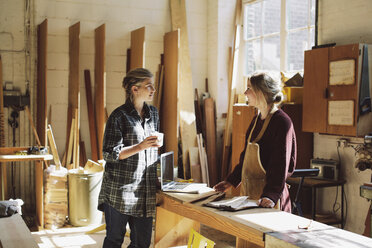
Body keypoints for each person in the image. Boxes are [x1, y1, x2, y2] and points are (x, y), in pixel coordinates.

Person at [214, 72, 297, 212]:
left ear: (261, 92)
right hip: (251, 194)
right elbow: (246, 157)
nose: (245, 92)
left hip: (269, 200)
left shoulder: (282, 122)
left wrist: (270, 195)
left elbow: (280, 164)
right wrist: (231, 181)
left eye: (249, 88)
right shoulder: (256, 120)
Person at [98, 68, 160, 248]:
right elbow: (109, 154)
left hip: (145, 190)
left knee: (142, 243)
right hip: (120, 192)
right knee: (114, 240)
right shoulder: (118, 116)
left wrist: (156, 176)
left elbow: (152, 150)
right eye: (149, 86)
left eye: (153, 86)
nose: (153, 90)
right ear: (135, 89)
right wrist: (140, 146)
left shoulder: (153, 113)